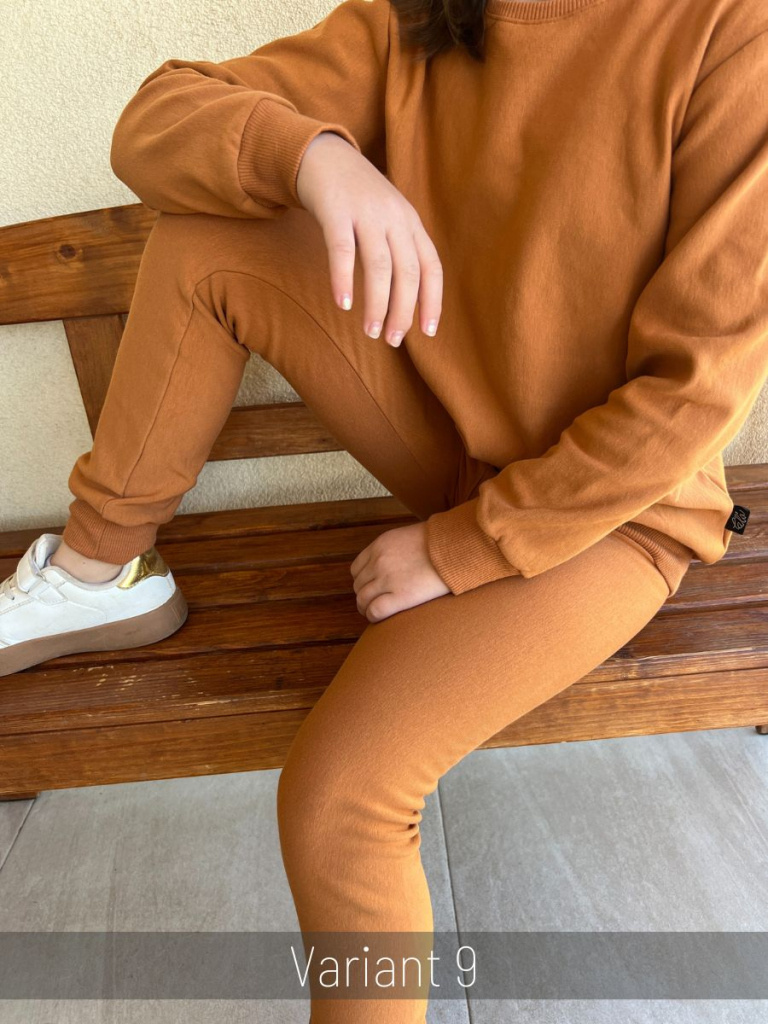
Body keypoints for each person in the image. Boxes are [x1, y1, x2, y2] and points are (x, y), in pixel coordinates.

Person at [2, 0, 767, 1018]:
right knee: (205, 235)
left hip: (616, 513)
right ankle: (99, 572)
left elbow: (692, 396)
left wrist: (463, 548)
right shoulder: (424, 20)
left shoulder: (732, 32)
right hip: (458, 447)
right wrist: (318, 158)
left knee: (340, 803)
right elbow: (155, 120)